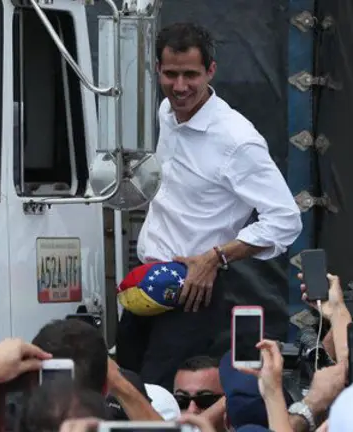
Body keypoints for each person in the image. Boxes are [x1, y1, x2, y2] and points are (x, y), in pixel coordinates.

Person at [116, 22, 303, 391]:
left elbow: (285, 220)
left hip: (193, 292)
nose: (180, 86)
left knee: (158, 397)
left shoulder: (237, 138)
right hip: (147, 280)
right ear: (158, 69)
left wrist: (215, 257)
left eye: (191, 75)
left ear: (211, 71)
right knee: (123, 386)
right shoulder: (167, 113)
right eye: (171, 74)